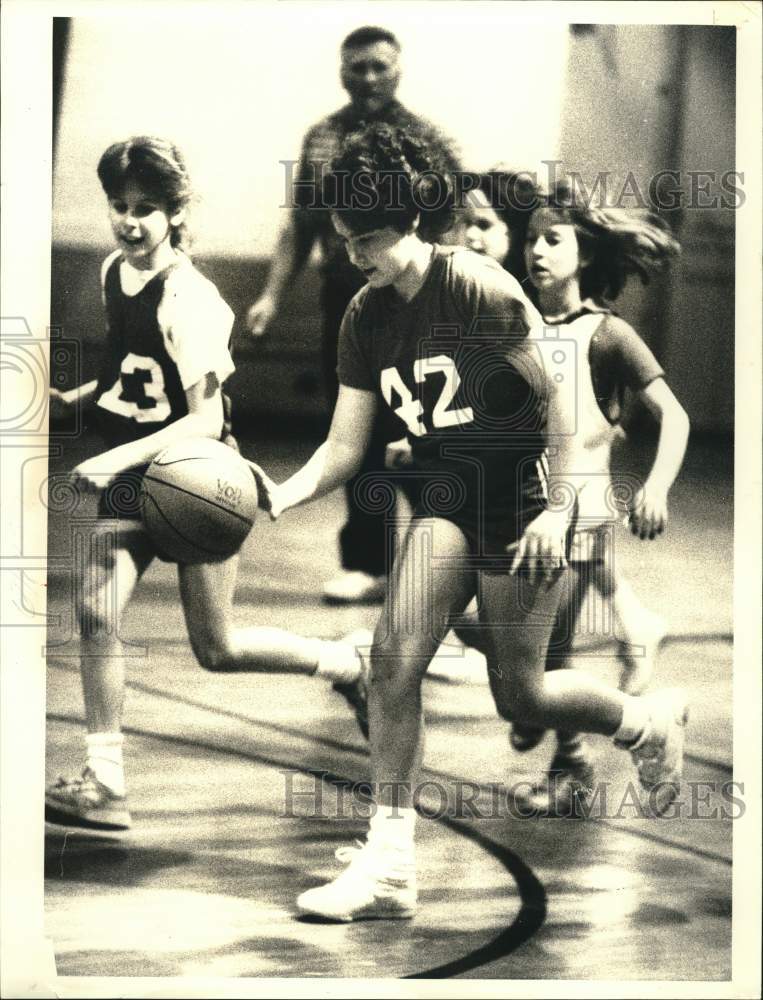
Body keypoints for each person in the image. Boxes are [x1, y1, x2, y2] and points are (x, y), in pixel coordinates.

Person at [249, 123, 690, 922]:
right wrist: (280, 495)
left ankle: (644, 723)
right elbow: (344, 447)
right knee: (390, 660)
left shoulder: (480, 288)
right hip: (451, 497)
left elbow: (560, 400)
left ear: (413, 219)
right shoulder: (364, 314)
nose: (356, 257)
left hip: (523, 501)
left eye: (370, 240)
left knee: (521, 696)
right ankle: (389, 866)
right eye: (345, 241)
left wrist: (559, 510)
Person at [44, 137, 377, 832]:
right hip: (139, 476)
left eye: (145, 209)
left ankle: (344, 665)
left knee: (217, 649)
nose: (130, 222)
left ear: (175, 212)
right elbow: (130, 378)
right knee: (96, 610)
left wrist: (110, 459)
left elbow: (205, 417)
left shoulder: (191, 299)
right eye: (119, 207)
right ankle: (105, 783)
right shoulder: (114, 272)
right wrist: (71, 400)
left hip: (199, 480)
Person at [245, 25, 462, 605]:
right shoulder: (321, 139)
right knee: (357, 436)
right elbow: (299, 228)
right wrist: (270, 295)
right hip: (346, 306)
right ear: (342, 70)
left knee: (426, 434)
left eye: (379, 67)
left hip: (417, 309)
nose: (367, 77)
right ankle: (370, 564)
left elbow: (449, 227)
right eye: (356, 67)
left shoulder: (422, 139)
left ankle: (448, 556)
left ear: (399, 68)